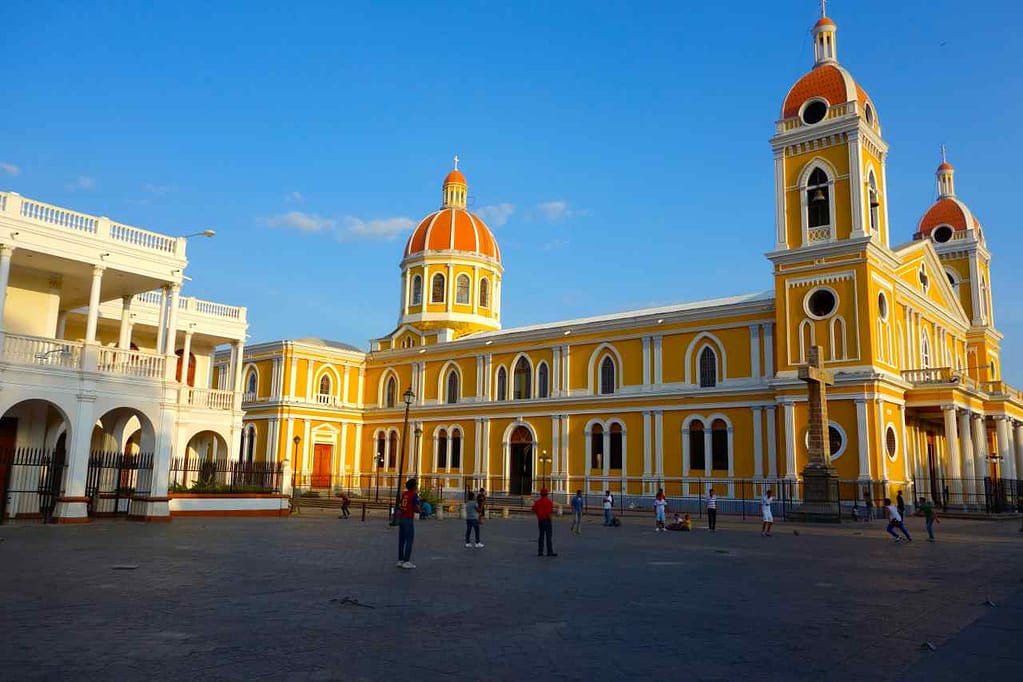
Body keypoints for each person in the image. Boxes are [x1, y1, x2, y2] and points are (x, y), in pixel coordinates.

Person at [397, 478, 420, 569]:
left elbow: (401, 505)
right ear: (414, 486)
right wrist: (419, 510)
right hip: (408, 519)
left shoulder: (404, 494)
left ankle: (400, 560)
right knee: (409, 540)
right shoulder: (414, 495)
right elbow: (416, 508)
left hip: (401, 518)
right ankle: (406, 561)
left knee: (401, 540)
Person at [532, 488, 557, 557]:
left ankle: (540, 551)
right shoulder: (549, 502)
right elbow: (549, 512)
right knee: (548, 537)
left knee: (541, 536)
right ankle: (549, 552)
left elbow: (533, 509)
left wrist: (538, 514)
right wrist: (550, 519)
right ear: (547, 494)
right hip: (547, 520)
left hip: (540, 521)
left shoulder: (537, 502)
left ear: (540, 494)